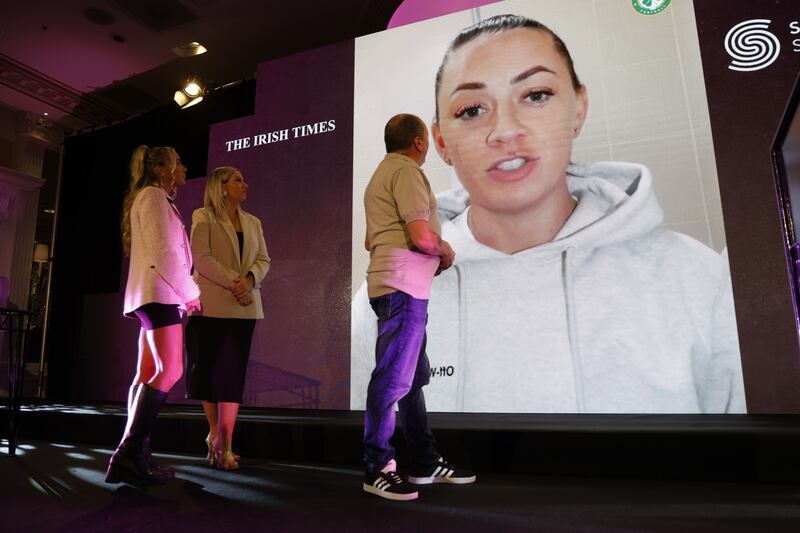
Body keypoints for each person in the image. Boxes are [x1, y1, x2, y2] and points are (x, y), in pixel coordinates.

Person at [351, 14, 746, 414]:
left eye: (536, 95)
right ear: (439, 142)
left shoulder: (695, 278)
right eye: (471, 110)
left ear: (579, 109)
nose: (505, 131)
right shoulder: (387, 294)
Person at [361, 113, 476, 502]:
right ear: (419, 142)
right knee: (393, 379)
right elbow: (421, 236)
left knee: (411, 379)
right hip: (402, 287)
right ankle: (377, 467)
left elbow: (369, 241)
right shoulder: (407, 171)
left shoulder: (382, 173)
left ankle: (424, 462)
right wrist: (444, 251)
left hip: (400, 285)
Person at [106, 145, 201, 486]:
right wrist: (190, 293)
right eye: (178, 163)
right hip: (161, 294)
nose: (184, 168)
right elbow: (163, 253)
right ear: (162, 169)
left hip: (153, 295)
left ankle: (131, 452)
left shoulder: (151, 198)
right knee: (171, 369)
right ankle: (129, 454)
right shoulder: (154, 198)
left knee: (148, 371)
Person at [185, 166, 270, 470]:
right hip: (210, 306)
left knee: (232, 377)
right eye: (238, 180)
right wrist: (237, 282)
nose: (245, 184)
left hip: (245, 307)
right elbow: (202, 257)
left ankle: (226, 444)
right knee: (207, 375)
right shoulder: (202, 216)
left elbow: (263, 259)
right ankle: (214, 435)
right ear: (220, 187)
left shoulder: (253, 221)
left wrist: (249, 279)